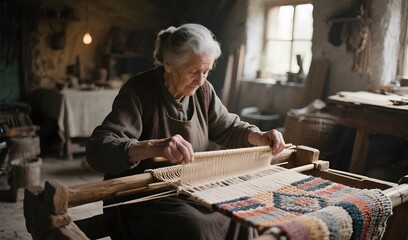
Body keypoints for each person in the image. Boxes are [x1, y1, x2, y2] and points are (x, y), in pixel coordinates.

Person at [86, 23, 286, 240]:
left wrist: (258, 136)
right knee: (193, 229)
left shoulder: (204, 91)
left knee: (242, 219)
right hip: (145, 196)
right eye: (193, 72)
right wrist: (154, 146)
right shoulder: (138, 92)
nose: (201, 81)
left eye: (206, 71)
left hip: (193, 188)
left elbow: (226, 125)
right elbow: (99, 148)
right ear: (169, 64)